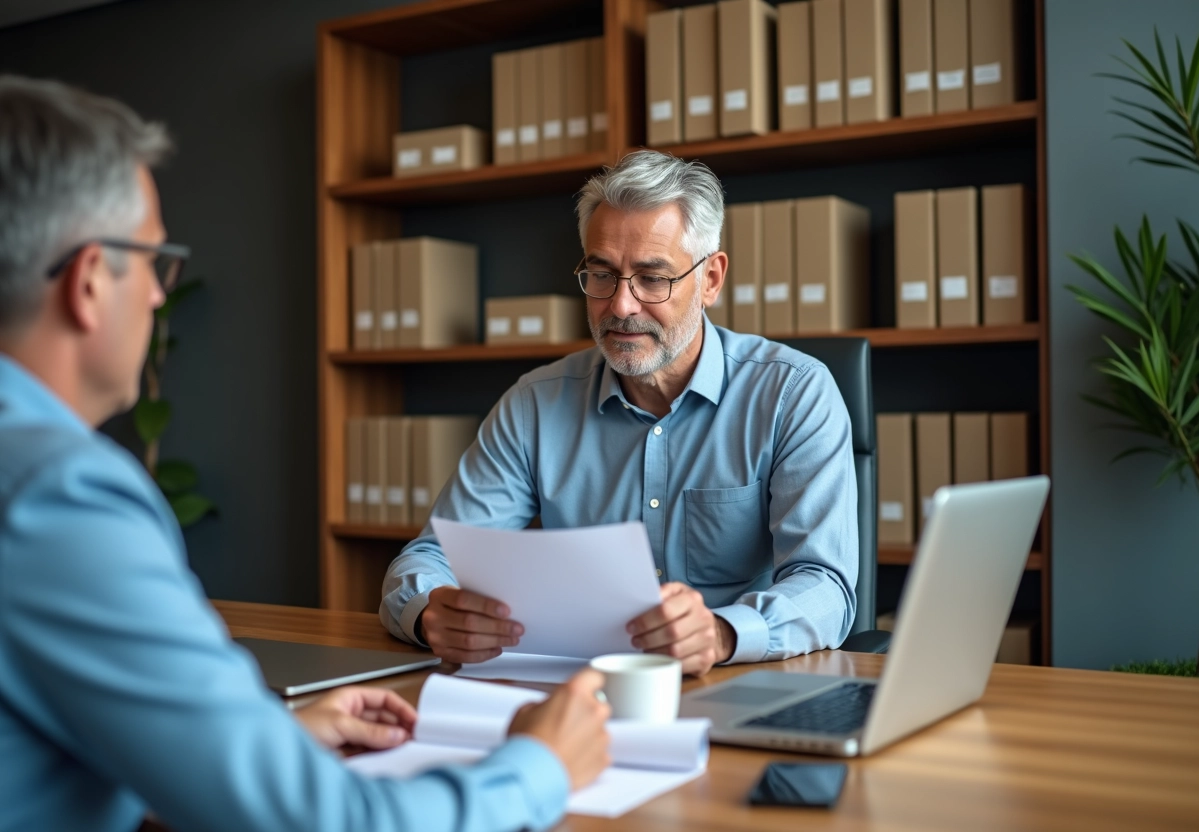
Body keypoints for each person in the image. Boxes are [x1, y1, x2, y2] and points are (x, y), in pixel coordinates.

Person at [0, 75, 610, 832]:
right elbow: (332, 824)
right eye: (155, 262)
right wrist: (540, 768)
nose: (160, 297)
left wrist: (262, 745)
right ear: (91, 281)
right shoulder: (56, 495)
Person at [381, 150, 859, 678]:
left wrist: (723, 633)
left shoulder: (794, 393)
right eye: (602, 275)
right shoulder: (535, 404)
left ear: (711, 280)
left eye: (653, 278)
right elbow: (429, 557)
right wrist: (429, 613)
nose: (621, 306)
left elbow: (826, 586)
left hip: (736, 680)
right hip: (582, 686)